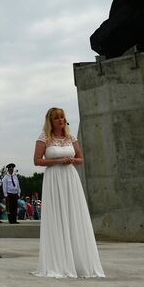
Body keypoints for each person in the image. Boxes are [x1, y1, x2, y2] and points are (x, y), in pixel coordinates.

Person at [33, 107, 104, 278]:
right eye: (57, 118)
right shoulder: (44, 138)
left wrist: (72, 160)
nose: (60, 120)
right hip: (54, 178)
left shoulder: (71, 137)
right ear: (50, 121)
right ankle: (58, 261)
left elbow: (80, 158)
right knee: (58, 215)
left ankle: (79, 261)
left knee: (74, 214)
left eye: (62, 117)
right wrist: (57, 160)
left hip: (70, 178)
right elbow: (36, 161)